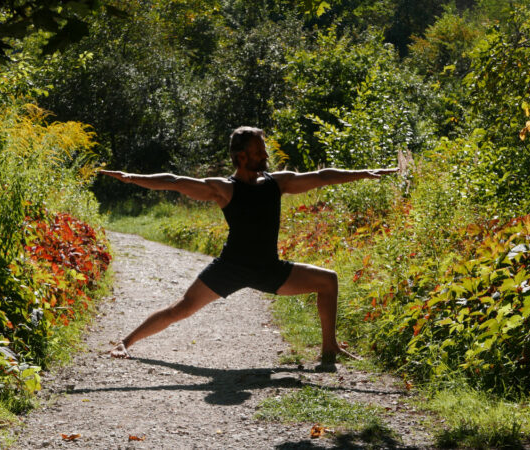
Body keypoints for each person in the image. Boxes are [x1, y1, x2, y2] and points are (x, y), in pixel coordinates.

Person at [99, 126, 398, 367]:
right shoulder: (224, 189)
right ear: (241, 156)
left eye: (263, 149)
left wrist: (364, 173)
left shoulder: (277, 183)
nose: (265, 154)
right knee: (182, 308)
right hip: (230, 268)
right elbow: (175, 181)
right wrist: (131, 178)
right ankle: (125, 342)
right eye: (258, 150)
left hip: (269, 269)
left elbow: (320, 177)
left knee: (328, 280)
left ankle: (329, 348)